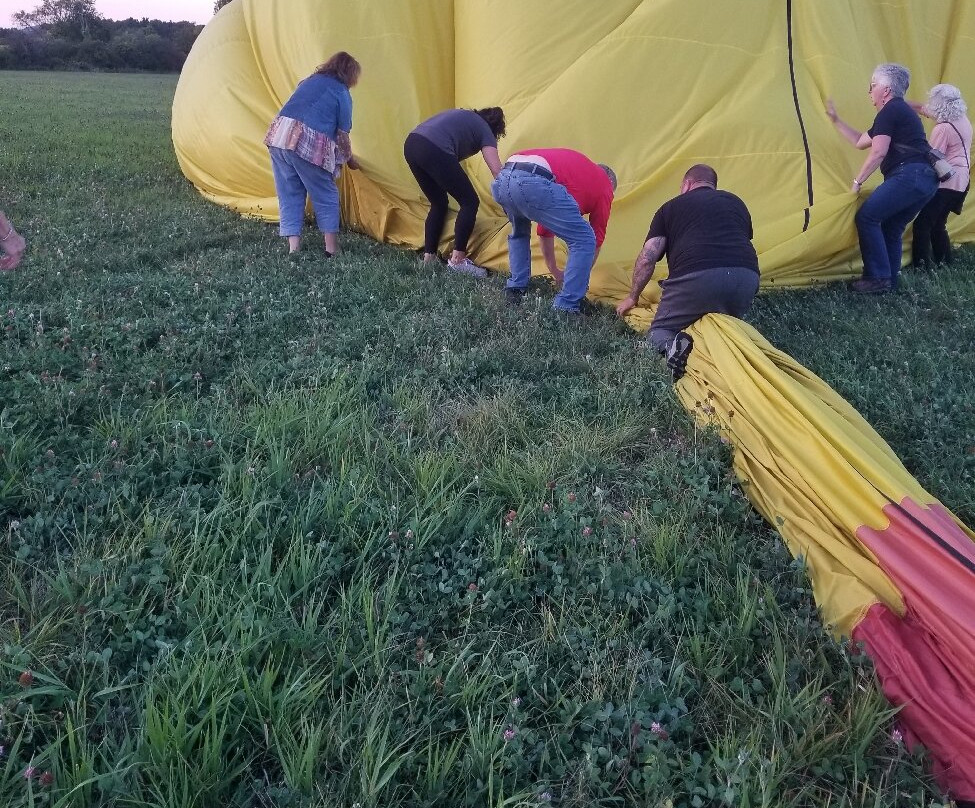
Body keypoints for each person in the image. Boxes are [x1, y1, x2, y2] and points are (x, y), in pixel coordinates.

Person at [615, 164, 759, 376]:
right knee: (721, 324)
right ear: (712, 185)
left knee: (659, 331)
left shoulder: (670, 208)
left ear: (687, 184)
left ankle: (674, 350)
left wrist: (632, 297)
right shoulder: (736, 203)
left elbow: (648, 258)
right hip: (746, 277)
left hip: (696, 279)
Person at [826, 63, 938, 293]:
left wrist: (857, 182)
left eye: (873, 85)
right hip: (926, 180)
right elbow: (860, 141)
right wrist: (836, 120)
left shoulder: (890, 111)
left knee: (867, 217)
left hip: (910, 175)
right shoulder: (896, 112)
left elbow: (878, 152)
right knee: (892, 226)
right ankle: (888, 281)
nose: (870, 91)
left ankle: (877, 278)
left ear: (885, 90)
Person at [490, 148, 616, 313]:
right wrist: (577, 275)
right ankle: (567, 306)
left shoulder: (580, 175)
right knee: (585, 239)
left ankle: (515, 288)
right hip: (532, 180)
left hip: (503, 177)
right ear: (610, 183)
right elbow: (597, 238)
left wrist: (555, 271)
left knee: (519, 232)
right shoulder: (605, 185)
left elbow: (545, 229)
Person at [264, 51, 362, 258]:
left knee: (289, 193)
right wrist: (350, 159)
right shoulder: (341, 92)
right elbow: (343, 133)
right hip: (304, 141)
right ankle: (331, 249)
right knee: (326, 193)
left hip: (279, 136)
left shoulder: (308, 81)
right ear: (350, 74)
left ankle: (294, 249)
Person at [404, 107, 505, 277]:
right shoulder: (485, 130)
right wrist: (510, 201)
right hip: (434, 147)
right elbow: (496, 170)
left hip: (412, 143)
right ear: (495, 128)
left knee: (438, 203)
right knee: (470, 201)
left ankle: (429, 258)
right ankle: (458, 261)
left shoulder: (463, 116)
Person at [909, 84, 972, 267]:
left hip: (947, 182)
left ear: (939, 104)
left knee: (922, 224)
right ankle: (944, 262)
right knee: (938, 224)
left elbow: (933, 156)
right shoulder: (961, 118)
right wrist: (899, 102)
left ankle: (921, 265)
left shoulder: (943, 128)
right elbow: (924, 109)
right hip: (961, 181)